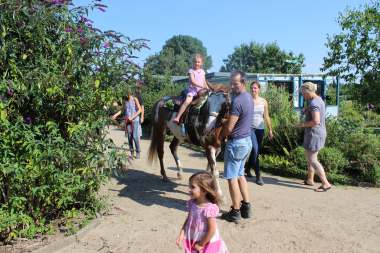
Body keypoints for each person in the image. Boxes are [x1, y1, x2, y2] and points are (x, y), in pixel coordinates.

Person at [219, 71, 253, 223]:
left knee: (232, 177)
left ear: (243, 83)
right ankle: (246, 206)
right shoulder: (249, 97)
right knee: (240, 174)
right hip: (246, 141)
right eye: (231, 83)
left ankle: (235, 211)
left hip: (236, 143)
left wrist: (221, 135)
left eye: (236, 84)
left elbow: (230, 127)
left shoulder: (238, 101)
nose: (232, 86)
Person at [176, 172, 228, 253]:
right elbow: (189, 219)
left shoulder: (209, 208)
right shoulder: (192, 203)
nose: (189, 189)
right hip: (194, 237)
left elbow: (212, 229)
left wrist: (201, 244)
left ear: (204, 191)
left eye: (192, 187)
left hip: (206, 241)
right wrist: (182, 233)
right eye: (189, 186)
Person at [297, 82, 332, 192]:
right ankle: (310, 180)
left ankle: (326, 183)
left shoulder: (314, 103)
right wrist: (307, 110)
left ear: (308, 91)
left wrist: (302, 125)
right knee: (310, 158)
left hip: (314, 134)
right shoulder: (317, 100)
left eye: (303, 93)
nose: (303, 95)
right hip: (316, 133)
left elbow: (316, 121)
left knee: (312, 160)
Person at [245, 81, 273, 185]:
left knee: (256, 152)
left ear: (259, 89)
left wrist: (270, 129)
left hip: (260, 129)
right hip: (249, 128)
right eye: (252, 88)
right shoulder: (247, 100)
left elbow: (266, 116)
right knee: (255, 149)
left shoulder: (263, 101)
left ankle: (247, 169)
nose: (253, 90)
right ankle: (258, 176)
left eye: (255, 88)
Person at [172, 54, 208, 124]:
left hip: (201, 91)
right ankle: (178, 117)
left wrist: (207, 88)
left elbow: (204, 81)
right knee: (187, 101)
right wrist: (202, 86)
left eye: (198, 62)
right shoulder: (191, 71)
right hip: (193, 91)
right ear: (193, 62)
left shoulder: (203, 71)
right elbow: (193, 82)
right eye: (195, 62)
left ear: (201, 63)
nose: (197, 63)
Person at [112, 88, 142, 159]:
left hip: (135, 120)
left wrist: (132, 117)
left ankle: (138, 151)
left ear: (129, 93)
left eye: (125, 95)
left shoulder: (135, 99)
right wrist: (115, 115)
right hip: (128, 121)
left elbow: (140, 110)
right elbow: (122, 110)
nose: (124, 97)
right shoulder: (125, 101)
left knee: (135, 136)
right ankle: (131, 152)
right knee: (129, 136)